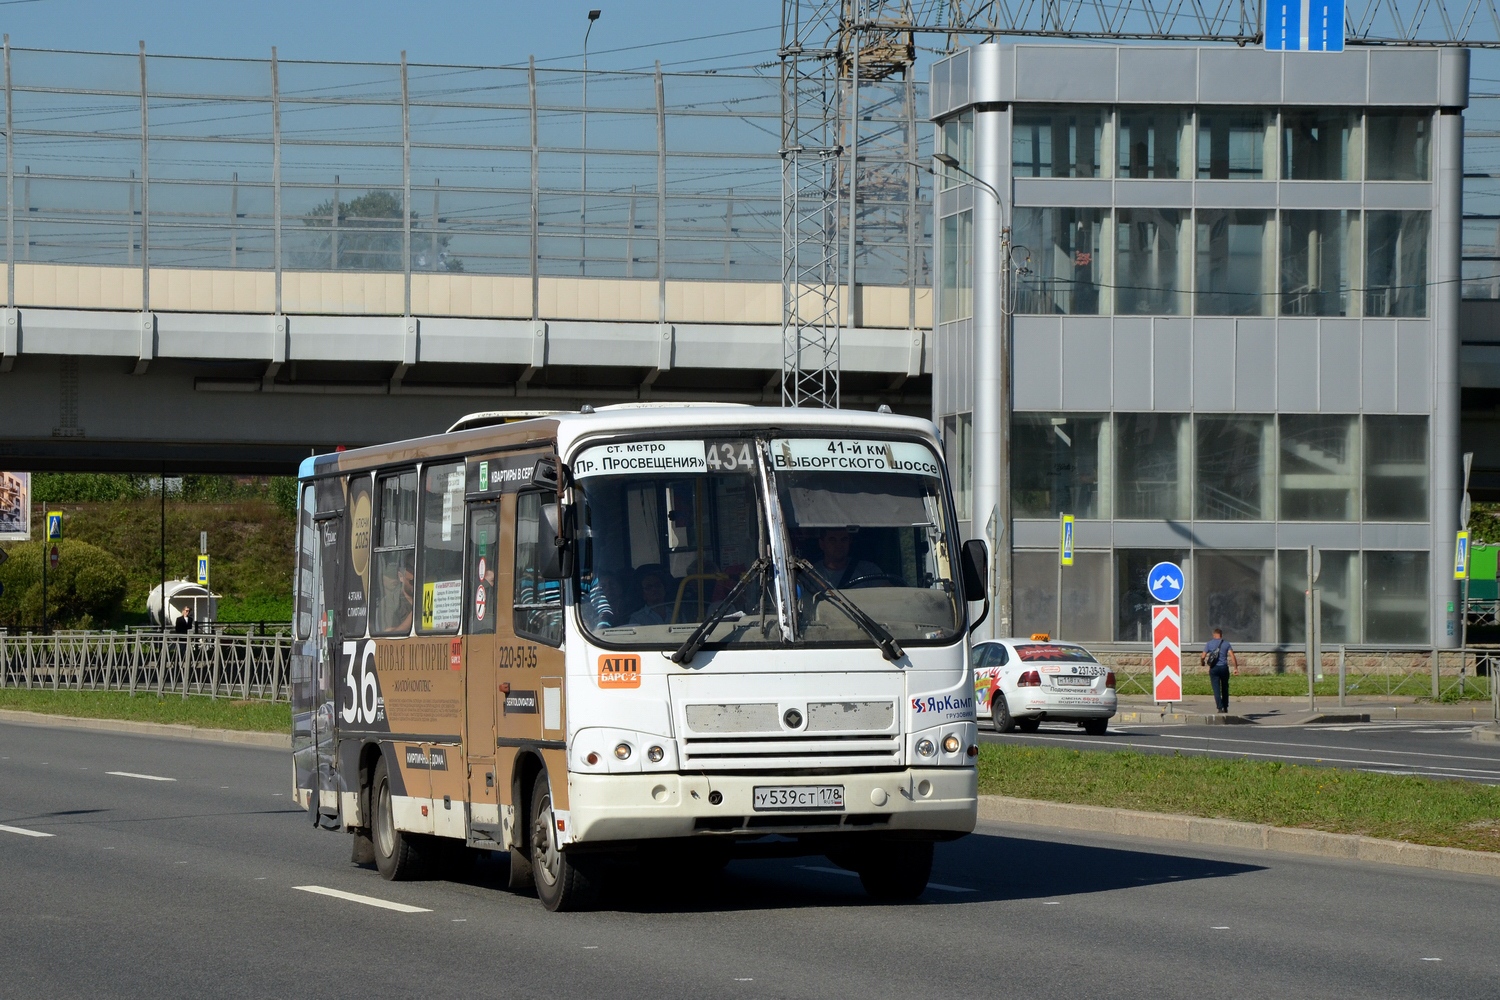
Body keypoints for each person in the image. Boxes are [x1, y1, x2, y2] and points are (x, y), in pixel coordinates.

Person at [806, 527, 884, 590]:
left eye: (844, 540)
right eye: (832, 540)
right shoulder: (810, 575)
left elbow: (888, 597)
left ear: (849, 542)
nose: (839, 545)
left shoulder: (869, 570)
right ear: (822, 544)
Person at [1201, 627, 1239, 714]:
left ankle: (1220, 707)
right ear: (1221, 635)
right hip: (1224, 668)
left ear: (1214, 635)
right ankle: (1225, 706)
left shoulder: (1209, 644)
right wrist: (1235, 668)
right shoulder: (1226, 644)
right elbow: (1232, 656)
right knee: (1225, 687)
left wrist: (1202, 662)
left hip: (1214, 668)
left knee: (1216, 688)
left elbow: (1203, 656)